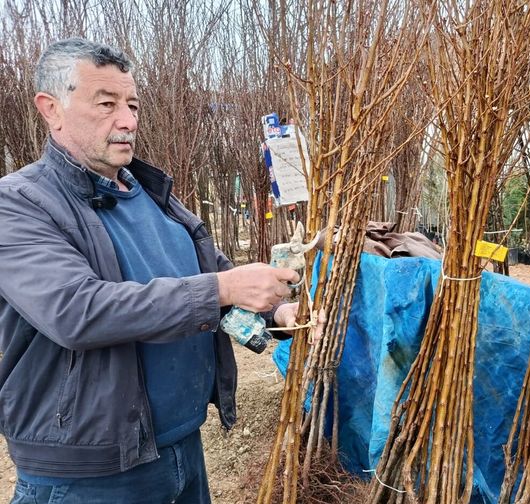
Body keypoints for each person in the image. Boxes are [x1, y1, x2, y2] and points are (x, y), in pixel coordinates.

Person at [0, 38, 312, 503]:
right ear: (51, 109)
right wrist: (222, 287)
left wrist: (278, 313)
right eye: (106, 104)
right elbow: (76, 310)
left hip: (181, 445)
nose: (126, 120)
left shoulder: (150, 193)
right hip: (90, 475)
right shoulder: (19, 204)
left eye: (132, 104)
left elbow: (210, 275)